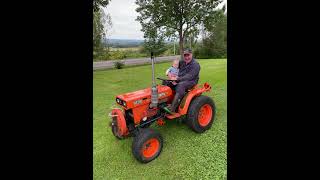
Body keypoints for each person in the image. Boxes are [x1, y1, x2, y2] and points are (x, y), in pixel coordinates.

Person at [168, 48, 200, 113]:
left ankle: (173, 107)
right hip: (180, 79)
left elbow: (190, 76)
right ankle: (166, 102)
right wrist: (169, 72)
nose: (186, 57)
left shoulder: (195, 65)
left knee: (181, 85)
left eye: (188, 55)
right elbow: (174, 66)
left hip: (191, 81)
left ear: (191, 54)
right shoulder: (182, 62)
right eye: (185, 55)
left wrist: (177, 79)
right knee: (167, 82)